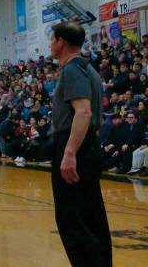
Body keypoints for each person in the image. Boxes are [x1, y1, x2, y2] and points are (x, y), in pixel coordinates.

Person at [47, 21, 112, 266]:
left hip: (75, 145)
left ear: (61, 42)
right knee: (92, 219)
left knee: (72, 221)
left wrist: (70, 152)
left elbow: (83, 112)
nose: (50, 44)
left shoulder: (73, 69)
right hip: (88, 144)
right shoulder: (88, 68)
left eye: (52, 39)